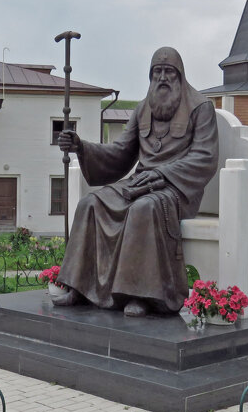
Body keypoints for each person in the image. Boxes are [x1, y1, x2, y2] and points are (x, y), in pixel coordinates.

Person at [53, 46, 219, 316]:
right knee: (90, 203)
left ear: (180, 75)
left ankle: (139, 295)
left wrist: (164, 173)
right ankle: (79, 287)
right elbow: (120, 152)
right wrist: (82, 147)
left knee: (144, 210)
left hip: (176, 189)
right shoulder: (143, 109)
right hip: (140, 184)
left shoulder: (201, 108)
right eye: (157, 72)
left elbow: (205, 157)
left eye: (168, 72)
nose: (162, 78)